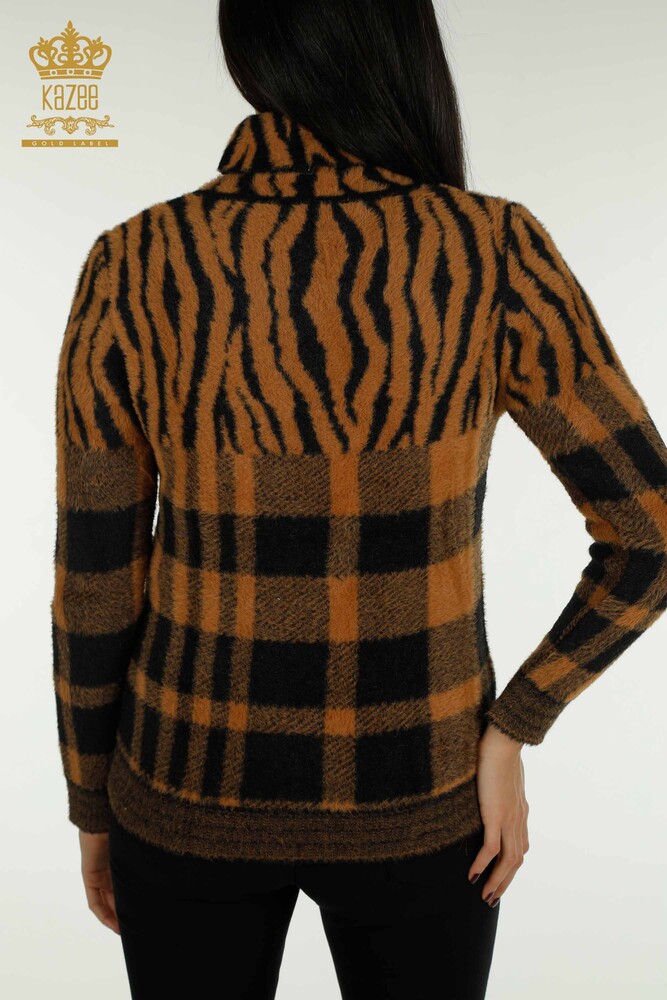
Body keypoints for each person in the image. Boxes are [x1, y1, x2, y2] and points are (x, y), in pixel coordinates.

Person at [50, 1, 667, 998]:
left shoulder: (134, 261)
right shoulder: (493, 249)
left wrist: (91, 802)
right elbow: (652, 531)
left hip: (179, 793)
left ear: (248, 49)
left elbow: (95, 580)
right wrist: (514, 726)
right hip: (422, 800)